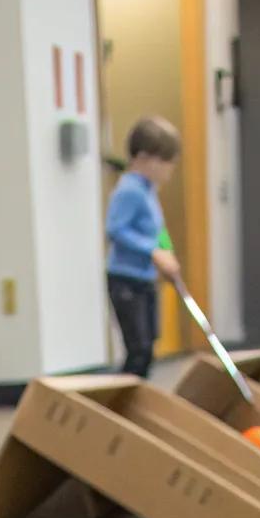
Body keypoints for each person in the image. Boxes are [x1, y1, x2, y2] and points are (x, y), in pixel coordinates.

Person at [105, 117, 182, 379]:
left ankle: (139, 400)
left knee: (149, 347)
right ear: (145, 158)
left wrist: (167, 251)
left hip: (145, 278)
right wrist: (152, 251)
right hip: (126, 280)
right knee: (137, 349)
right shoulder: (129, 191)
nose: (169, 170)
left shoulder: (150, 190)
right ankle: (119, 404)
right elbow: (116, 229)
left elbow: (158, 228)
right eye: (166, 162)